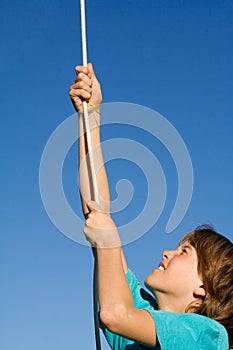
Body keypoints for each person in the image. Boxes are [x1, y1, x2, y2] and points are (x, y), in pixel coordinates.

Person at [69, 64, 233, 349]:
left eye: (184, 251)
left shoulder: (208, 337)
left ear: (204, 287)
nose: (167, 253)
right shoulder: (140, 315)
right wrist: (90, 118)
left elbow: (115, 315)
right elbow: (98, 212)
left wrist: (109, 239)